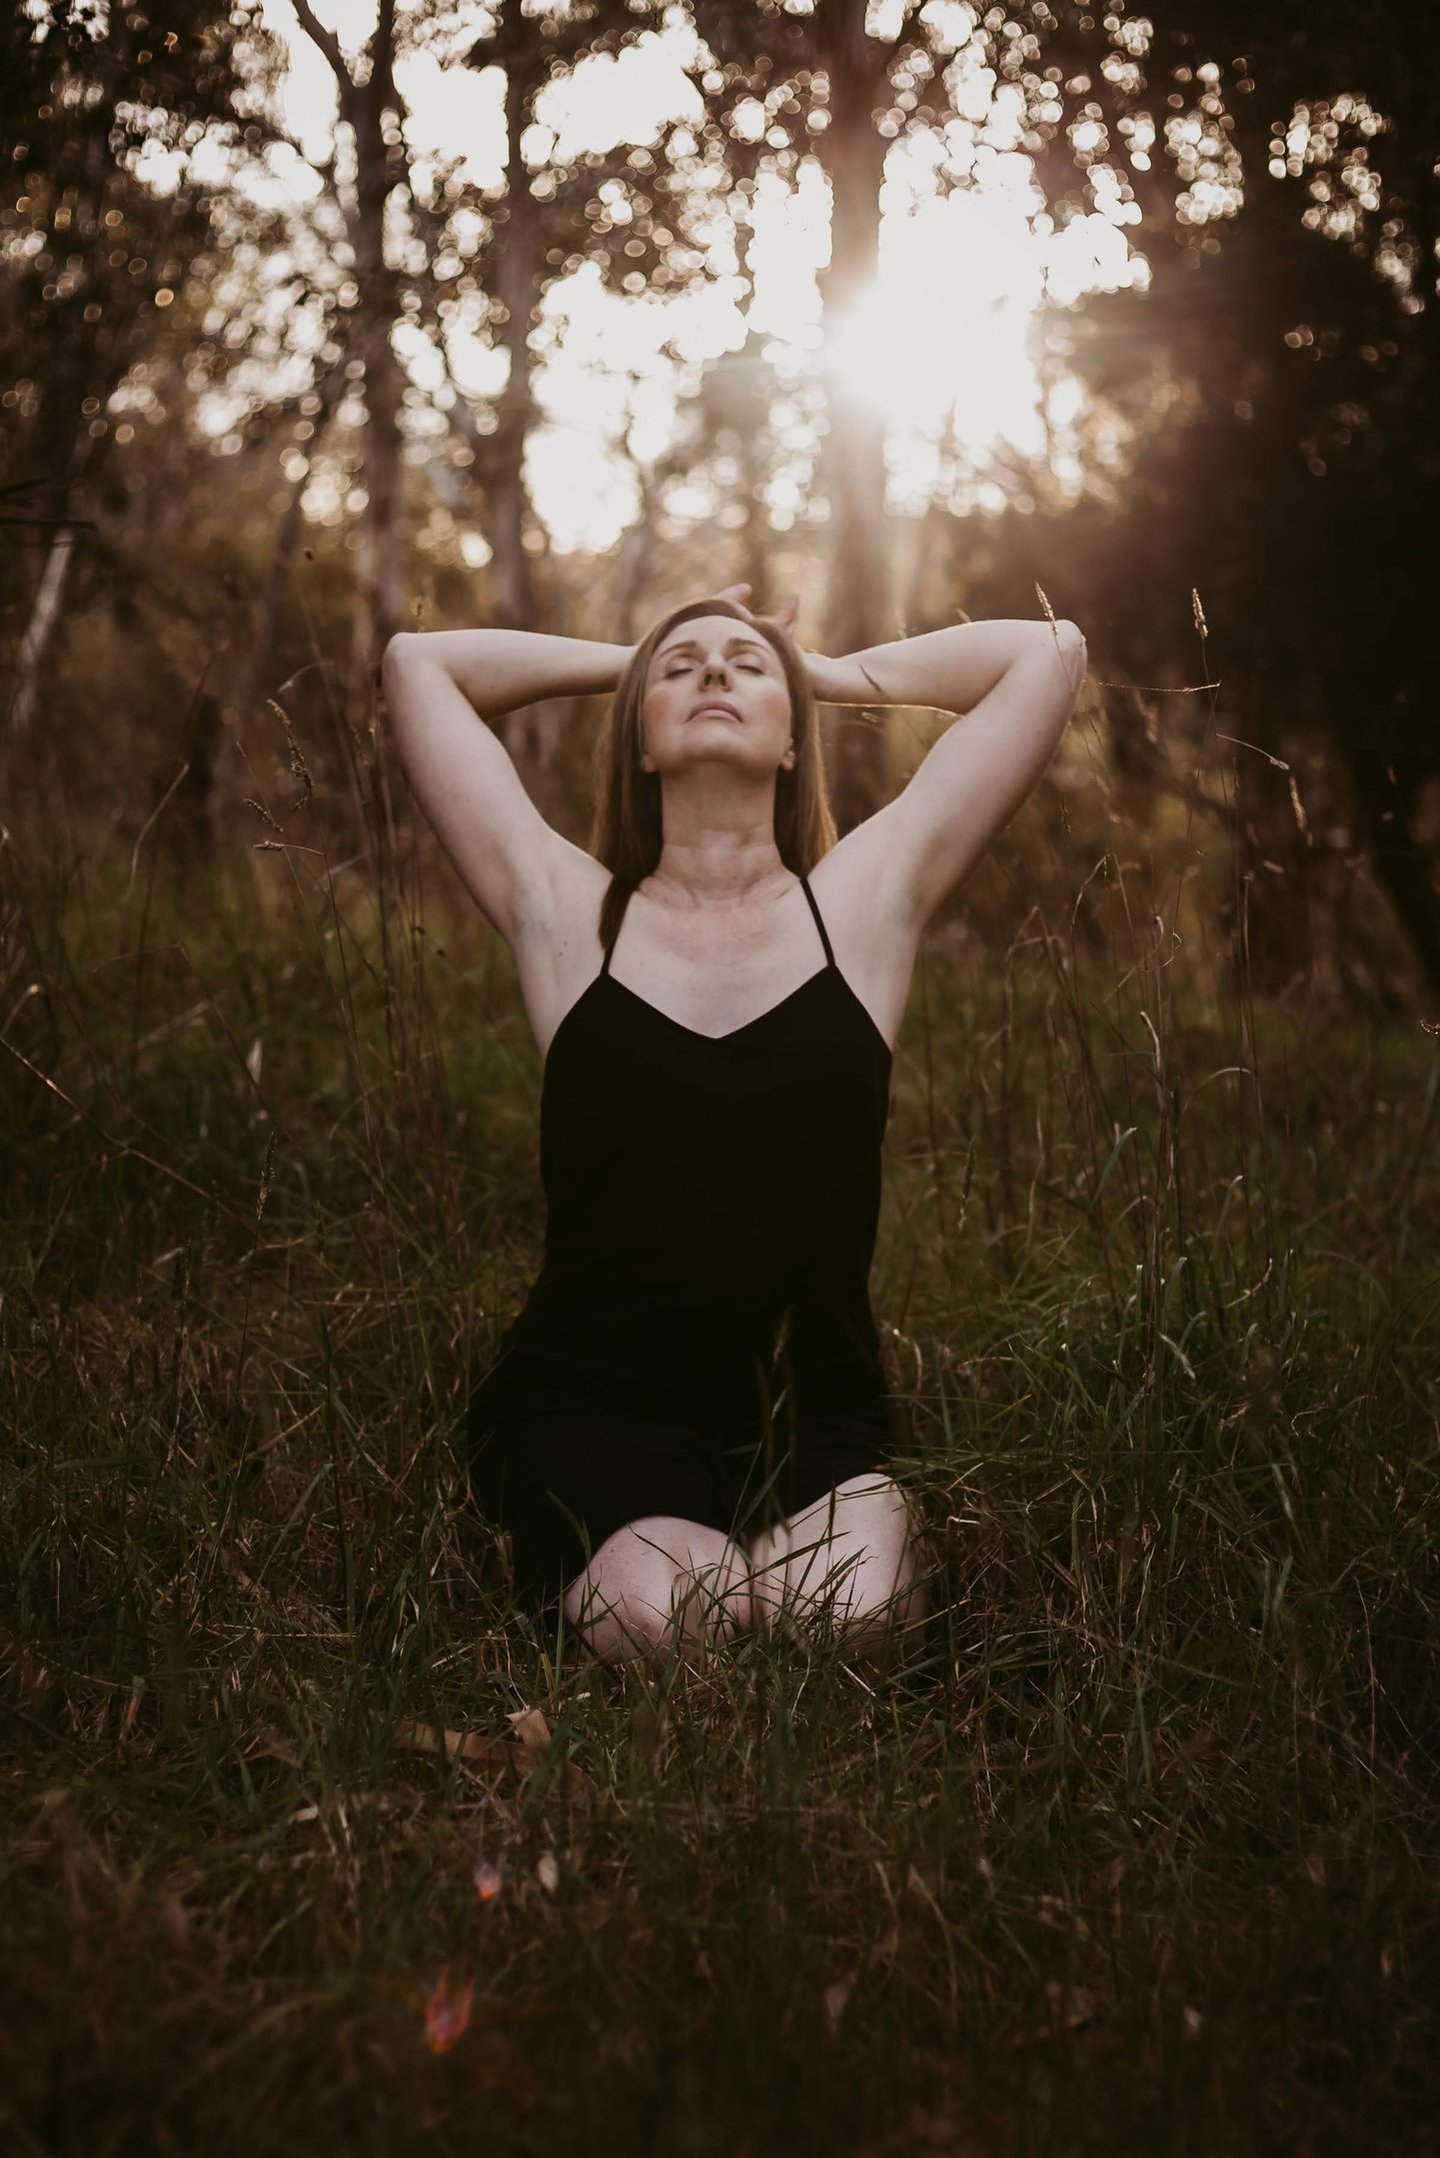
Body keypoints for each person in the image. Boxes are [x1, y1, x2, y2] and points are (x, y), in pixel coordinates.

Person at [382, 586, 1086, 1667]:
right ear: (642, 741)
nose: (714, 671)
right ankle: (667, 1559)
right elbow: (419, 663)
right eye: (684, 669)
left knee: (852, 1622)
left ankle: (769, 1548)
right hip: (592, 1407)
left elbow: (1048, 652)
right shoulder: (571, 919)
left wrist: (822, 669)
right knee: (669, 1626)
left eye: (746, 665)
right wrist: (640, 649)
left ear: (796, 737)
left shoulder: (861, 909)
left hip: (816, 1420)